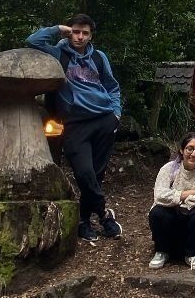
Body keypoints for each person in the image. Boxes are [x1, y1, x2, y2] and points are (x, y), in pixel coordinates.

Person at [27, 15, 123, 242]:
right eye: (76, 32)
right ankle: (103, 213)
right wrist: (58, 28)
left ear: (91, 35)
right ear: (70, 32)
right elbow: (33, 41)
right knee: (84, 172)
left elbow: (112, 86)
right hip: (74, 123)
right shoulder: (58, 54)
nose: (80, 37)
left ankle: (84, 222)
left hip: (103, 119)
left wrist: (116, 114)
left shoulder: (99, 57)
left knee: (96, 176)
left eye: (85, 33)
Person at [148, 133, 195, 271]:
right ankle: (162, 251)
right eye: (190, 148)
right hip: (173, 220)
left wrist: (178, 200)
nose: (193, 154)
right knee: (157, 212)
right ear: (182, 150)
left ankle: (194, 253)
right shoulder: (169, 169)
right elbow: (159, 196)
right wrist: (191, 193)